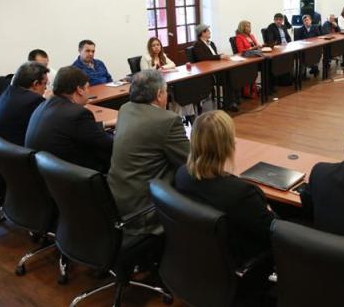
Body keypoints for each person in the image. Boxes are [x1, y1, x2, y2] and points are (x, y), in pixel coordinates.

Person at [175, 110, 275, 264]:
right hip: (243, 262)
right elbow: (273, 231)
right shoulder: (242, 193)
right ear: (228, 146)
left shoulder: (181, 175)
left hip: (201, 258)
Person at [108, 70, 189, 236]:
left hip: (115, 201)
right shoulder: (167, 120)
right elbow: (191, 160)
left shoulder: (124, 109)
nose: (167, 96)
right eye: (166, 92)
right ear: (159, 94)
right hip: (145, 209)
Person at [25, 66, 115, 172]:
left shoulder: (43, 105)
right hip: (77, 178)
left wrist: (106, 124)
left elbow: (80, 130)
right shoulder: (77, 114)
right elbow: (109, 144)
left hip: (45, 175)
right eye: (87, 87)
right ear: (79, 90)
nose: (89, 92)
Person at [0, 62, 49, 146]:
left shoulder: (7, 92)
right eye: (45, 83)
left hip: (1, 151)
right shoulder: (34, 100)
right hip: (19, 153)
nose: (46, 88)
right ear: (35, 84)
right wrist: (50, 101)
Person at [234, 20, 260, 98]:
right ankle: (249, 91)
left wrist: (259, 46)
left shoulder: (251, 36)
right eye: (247, 26)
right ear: (242, 27)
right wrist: (252, 48)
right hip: (246, 59)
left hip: (255, 56)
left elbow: (256, 45)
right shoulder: (239, 37)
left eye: (249, 26)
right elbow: (240, 51)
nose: (249, 28)